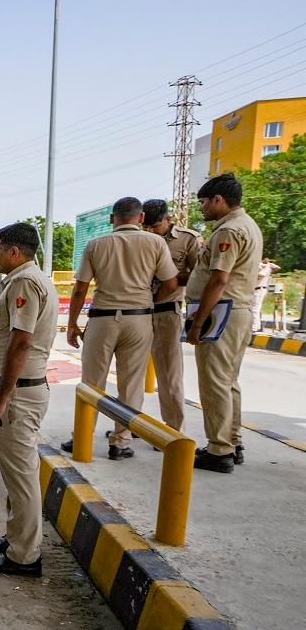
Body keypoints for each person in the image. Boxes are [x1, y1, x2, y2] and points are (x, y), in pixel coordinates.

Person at [62, 197, 178, 460]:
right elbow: (171, 284)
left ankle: (82, 437)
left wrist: (72, 324)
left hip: (102, 319)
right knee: (131, 384)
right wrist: (147, 302)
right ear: (141, 217)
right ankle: (121, 442)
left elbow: (80, 288)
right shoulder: (156, 243)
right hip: (139, 319)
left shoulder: (96, 245)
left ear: (112, 219)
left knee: (92, 382)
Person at [0, 223, 57, 577]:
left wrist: (0, 400)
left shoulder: (25, 282)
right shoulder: (23, 280)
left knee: (22, 478)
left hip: (20, 392)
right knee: (16, 476)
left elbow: (21, 342)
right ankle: (17, 538)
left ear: (13, 251)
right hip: (20, 390)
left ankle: (24, 556)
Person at [186, 173, 264, 473]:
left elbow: (219, 280)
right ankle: (232, 441)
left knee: (214, 382)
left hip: (222, 313)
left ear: (219, 200)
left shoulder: (228, 231)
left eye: (204, 202)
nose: (202, 208)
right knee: (228, 381)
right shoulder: (249, 225)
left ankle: (219, 450)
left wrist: (197, 324)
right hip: (238, 312)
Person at [142, 200, 201, 432]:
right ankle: (126, 425)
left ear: (168, 220)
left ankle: (174, 430)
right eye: (146, 226)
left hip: (166, 311)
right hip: (137, 312)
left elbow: (200, 276)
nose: (150, 231)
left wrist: (173, 279)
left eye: (155, 226)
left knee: (169, 376)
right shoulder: (137, 237)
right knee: (131, 375)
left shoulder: (188, 239)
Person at [252, 257, 280, 336]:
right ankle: (257, 326)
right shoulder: (260, 266)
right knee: (256, 308)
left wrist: (268, 265)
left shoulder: (266, 268)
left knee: (255, 309)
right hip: (256, 289)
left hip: (260, 289)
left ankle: (254, 328)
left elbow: (260, 275)